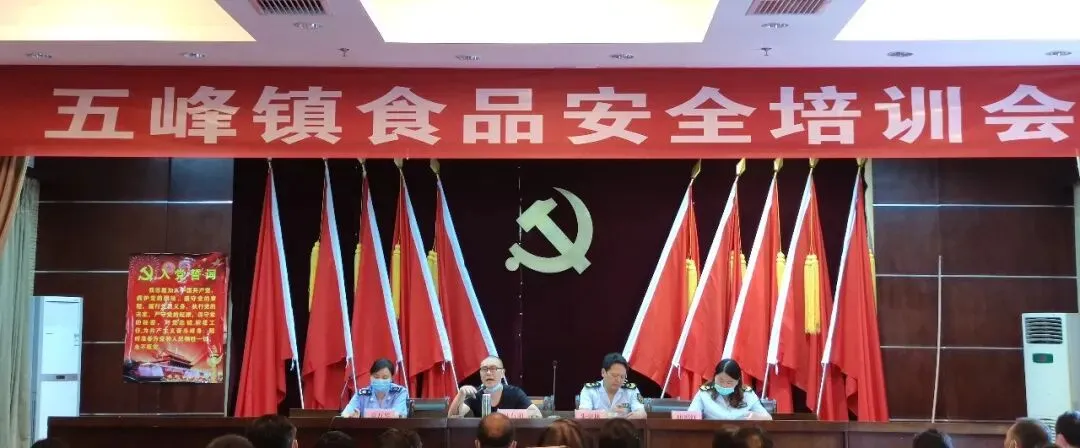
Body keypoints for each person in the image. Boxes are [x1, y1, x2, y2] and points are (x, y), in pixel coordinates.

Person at [449, 356, 541, 418]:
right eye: (484, 369)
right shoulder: (475, 393)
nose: (488, 373)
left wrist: (502, 414)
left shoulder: (515, 392)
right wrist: (460, 394)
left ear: (502, 373)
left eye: (493, 369)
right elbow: (452, 417)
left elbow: (536, 414)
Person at [688, 359, 772, 421]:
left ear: (737, 382)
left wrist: (756, 417)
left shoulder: (747, 394)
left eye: (729, 382)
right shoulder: (704, 392)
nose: (724, 385)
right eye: (720, 381)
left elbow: (768, 418)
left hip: (739, 436)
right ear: (714, 377)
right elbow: (690, 416)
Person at [577, 352, 646, 419]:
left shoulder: (631, 390)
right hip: (597, 427)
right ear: (603, 372)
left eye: (622, 376)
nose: (618, 380)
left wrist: (636, 415)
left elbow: (642, 414)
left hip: (623, 426)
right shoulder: (590, 390)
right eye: (614, 375)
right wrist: (611, 414)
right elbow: (582, 414)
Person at [342, 358, 408, 417]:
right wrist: (351, 416)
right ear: (370, 377)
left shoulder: (400, 392)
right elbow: (345, 414)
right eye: (376, 377)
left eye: (385, 378)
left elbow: (397, 414)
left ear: (391, 378)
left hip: (393, 426)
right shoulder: (361, 394)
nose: (380, 380)